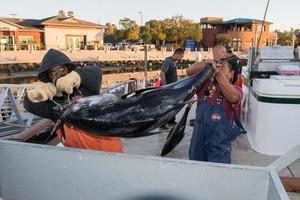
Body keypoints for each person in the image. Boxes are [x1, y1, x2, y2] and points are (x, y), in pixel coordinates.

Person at [24, 49, 123, 153]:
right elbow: (29, 105)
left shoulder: (87, 88)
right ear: (49, 77)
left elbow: (96, 71)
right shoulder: (52, 103)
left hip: (110, 151)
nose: (58, 75)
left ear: (69, 69)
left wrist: (77, 76)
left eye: (62, 69)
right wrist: (32, 96)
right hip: (78, 156)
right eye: (53, 73)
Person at [186, 44, 244, 164]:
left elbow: (233, 97)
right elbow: (189, 71)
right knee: (196, 171)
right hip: (198, 140)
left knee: (218, 176)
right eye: (218, 67)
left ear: (231, 73)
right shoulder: (205, 86)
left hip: (218, 145)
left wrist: (218, 74)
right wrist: (209, 63)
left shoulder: (236, 89)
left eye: (223, 68)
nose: (219, 69)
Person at [159, 48, 185, 130]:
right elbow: (162, 74)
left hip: (172, 88)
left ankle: (171, 120)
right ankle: (162, 124)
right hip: (167, 88)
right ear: (177, 54)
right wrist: (165, 87)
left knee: (172, 105)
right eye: (181, 56)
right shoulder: (168, 61)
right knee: (165, 106)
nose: (181, 58)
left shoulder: (173, 62)